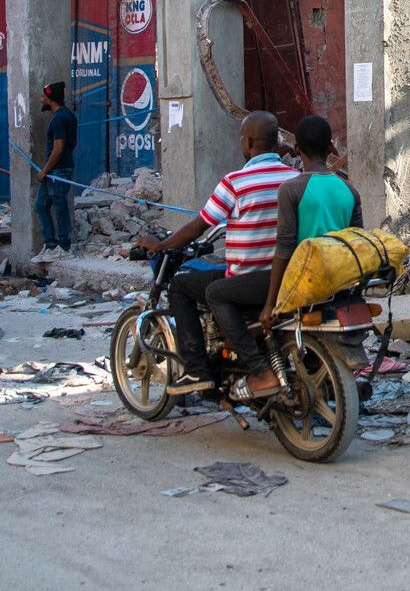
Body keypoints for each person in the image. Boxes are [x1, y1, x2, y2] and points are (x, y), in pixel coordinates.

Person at [138, 111, 292, 397]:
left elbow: (198, 227)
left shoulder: (236, 182)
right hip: (286, 278)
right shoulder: (295, 179)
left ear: (247, 143)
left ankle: (197, 370)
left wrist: (161, 245)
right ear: (276, 143)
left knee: (181, 286)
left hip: (247, 279)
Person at [253, 115, 363, 390]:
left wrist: (270, 304)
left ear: (296, 150)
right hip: (340, 284)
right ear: (331, 150)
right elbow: (357, 241)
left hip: (304, 284)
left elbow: (284, 247)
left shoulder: (291, 189)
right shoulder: (349, 189)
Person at [31, 81, 78, 259]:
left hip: (58, 171)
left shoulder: (59, 118)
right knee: (41, 206)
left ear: (50, 99)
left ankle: (64, 248)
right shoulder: (65, 116)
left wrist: (45, 170)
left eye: (44, 96)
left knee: (59, 208)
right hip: (54, 171)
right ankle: (50, 246)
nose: (41, 99)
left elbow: (58, 148)